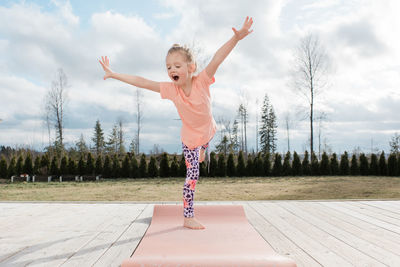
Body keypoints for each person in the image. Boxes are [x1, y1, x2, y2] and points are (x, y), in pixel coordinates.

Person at [99, 16, 253, 230]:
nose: (171, 70)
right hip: (190, 139)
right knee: (192, 176)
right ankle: (188, 217)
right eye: (168, 67)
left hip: (208, 130)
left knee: (206, 141)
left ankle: (203, 150)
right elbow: (143, 82)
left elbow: (218, 58)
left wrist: (235, 39)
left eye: (177, 66)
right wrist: (114, 74)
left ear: (191, 67)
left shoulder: (203, 80)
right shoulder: (172, 90)